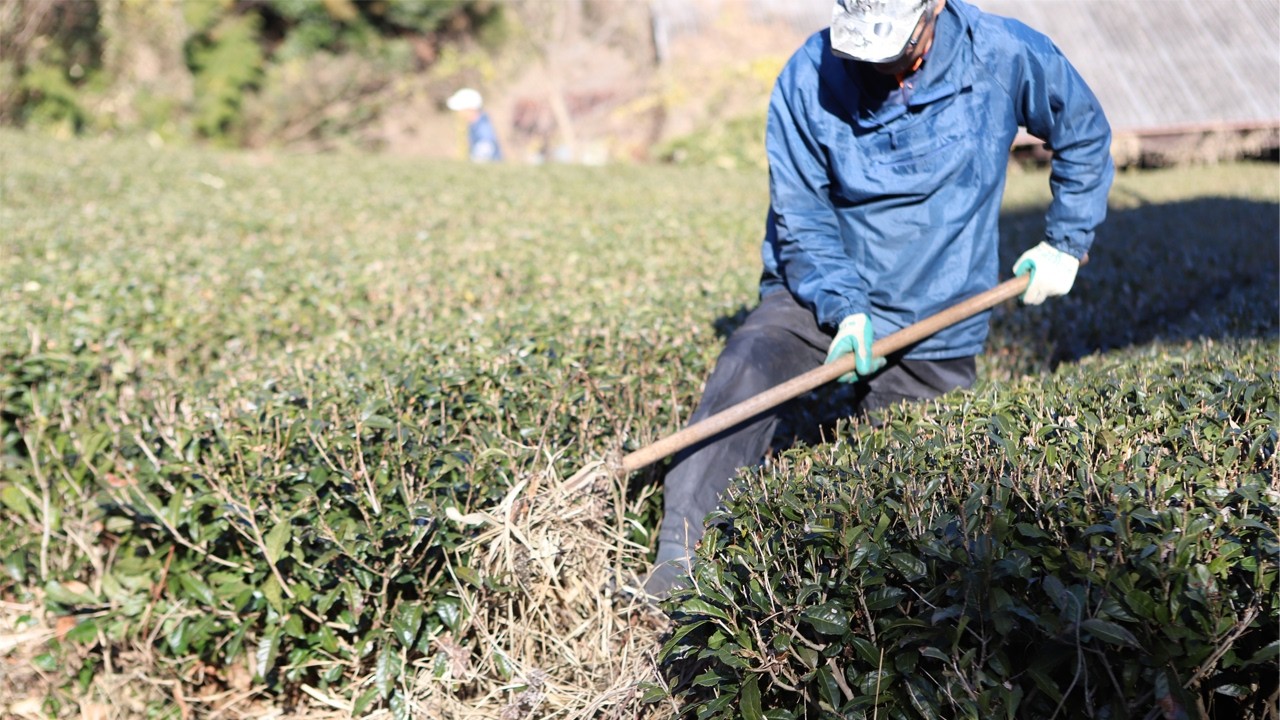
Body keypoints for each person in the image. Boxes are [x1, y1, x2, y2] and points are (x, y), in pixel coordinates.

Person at [643, 0, 1114, 599]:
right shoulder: (807, 76)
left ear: (934, 9)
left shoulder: (1005, 54)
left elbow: (1084, 131)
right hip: (819, 291)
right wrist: (847, 309)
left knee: (917, 498)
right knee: (747, 368)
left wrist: (1066, 242)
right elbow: (803, 216)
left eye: (893, 51)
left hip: (939, 312)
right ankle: (675, 569)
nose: (882, 70)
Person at [446, 87, 503, 163]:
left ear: (469, 109)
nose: (459, 113)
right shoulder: (475, 125)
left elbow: (485, 149)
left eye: (461, 109)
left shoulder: (482, 127)